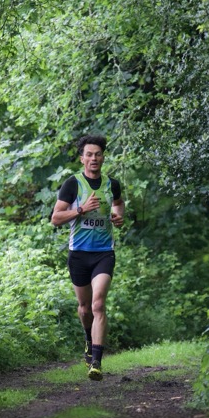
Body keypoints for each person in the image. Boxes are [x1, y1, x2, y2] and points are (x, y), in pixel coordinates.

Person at [50, 134, 125, 380]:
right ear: (82, 158)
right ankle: (88, 340)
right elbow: (55, 218)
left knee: (98, 304)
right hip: (79, 254)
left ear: (103, 157)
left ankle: (96, 362)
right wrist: (81, 209)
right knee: (84, 309)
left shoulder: (112, 184)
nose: (94, 158)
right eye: (89, 154)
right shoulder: (72, 184)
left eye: (98, 154)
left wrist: (118, 216)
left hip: (104, 253)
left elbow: (118, 203)